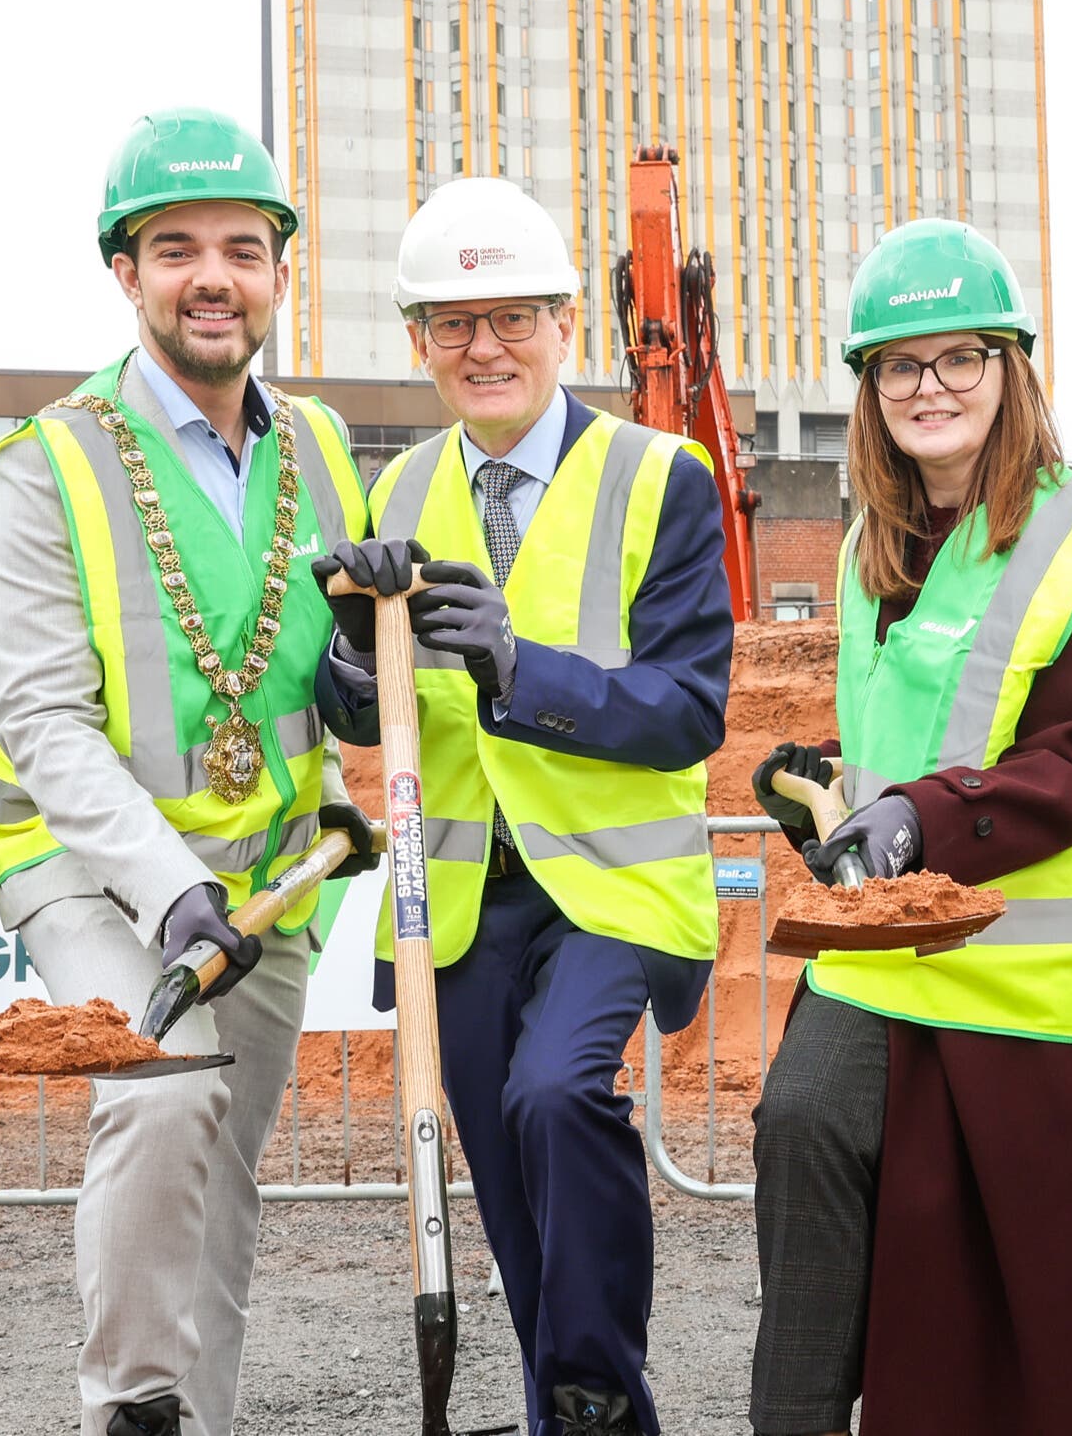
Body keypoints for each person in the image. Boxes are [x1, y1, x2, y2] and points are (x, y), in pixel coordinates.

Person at [0, 108, 378, 1436]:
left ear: (278, 272)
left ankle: (205, 1413)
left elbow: (309, 657)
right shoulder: (44, 465)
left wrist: (354, 682)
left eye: (243, 248)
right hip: (88, 867)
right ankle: (132, 1406)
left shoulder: (318, 448)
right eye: (176, 246)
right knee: (165, 1082)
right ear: (124, 271)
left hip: (266, 875)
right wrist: (163, 889)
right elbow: (39, 717)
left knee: (220, 1180)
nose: (214, 274)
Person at [744, 219, 1072, 1435]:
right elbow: (913, 752)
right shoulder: (862, 551)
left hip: (1051, 1000)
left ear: (1010, 371)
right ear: (869, 393)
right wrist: (828, 795)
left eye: (958, 359)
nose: (929, 387)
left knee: (1045, 1352)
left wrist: (908, 823)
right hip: (896, 970)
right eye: (900, 365)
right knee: (801, 1121)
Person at [315, 176, 731, 1436]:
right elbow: (353, 711)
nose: (483, 347)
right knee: (500, 1179)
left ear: (564, 324)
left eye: (510, 318)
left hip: (608, 885)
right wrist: (348, 650)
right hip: (456, 903)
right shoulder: (393, 499)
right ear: (418, 345)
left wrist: (516, 669)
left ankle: (595, 1396)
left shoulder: (664, 476)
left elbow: (687, 709)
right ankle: (585, 1413)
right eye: (453, 324)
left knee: (556, 1095)